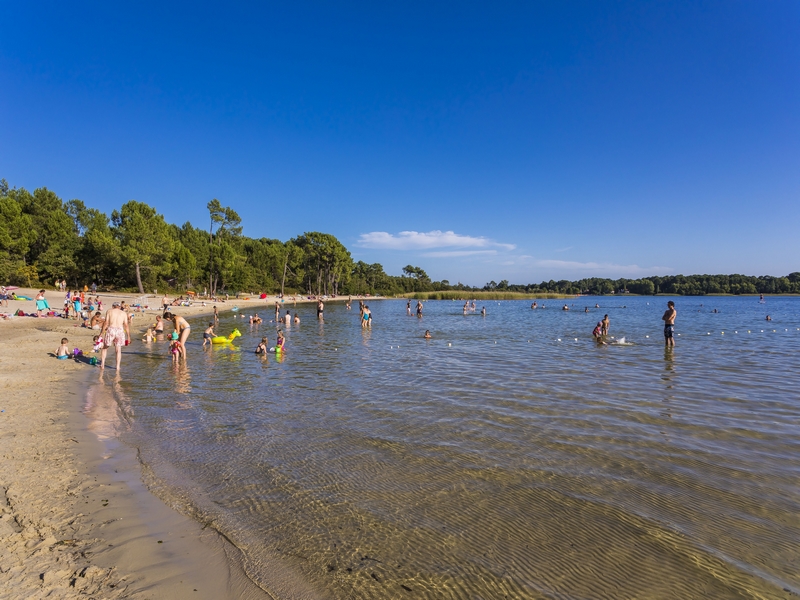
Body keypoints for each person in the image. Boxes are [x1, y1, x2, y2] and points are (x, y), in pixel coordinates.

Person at [100, 301, 130, 370]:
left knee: (105, 347)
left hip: (111, 329)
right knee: (118, 350)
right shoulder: (124, 313)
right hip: (120, 330)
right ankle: (117, 367)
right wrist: (128, 336)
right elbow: (126, 325)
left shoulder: (110, 311)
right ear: (119, 307)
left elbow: (106, 323)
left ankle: (102, 365)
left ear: (113, 306)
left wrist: (101, 333)